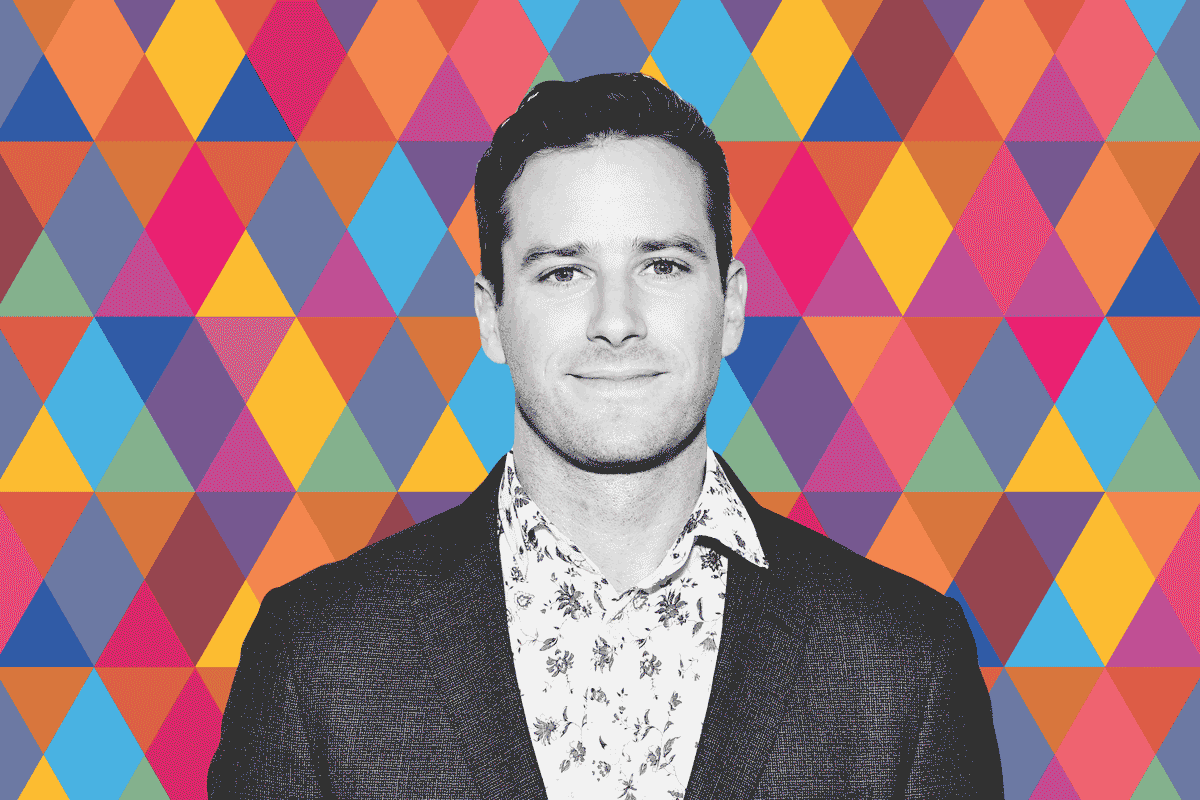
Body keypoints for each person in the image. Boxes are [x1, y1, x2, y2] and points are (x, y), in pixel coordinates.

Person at [208, 72, 1002, 799]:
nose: (616, 321)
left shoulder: (905, 662)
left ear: (730, 306)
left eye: (663, 265)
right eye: (564, 272)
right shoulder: (316, 657)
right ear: (491, 316)